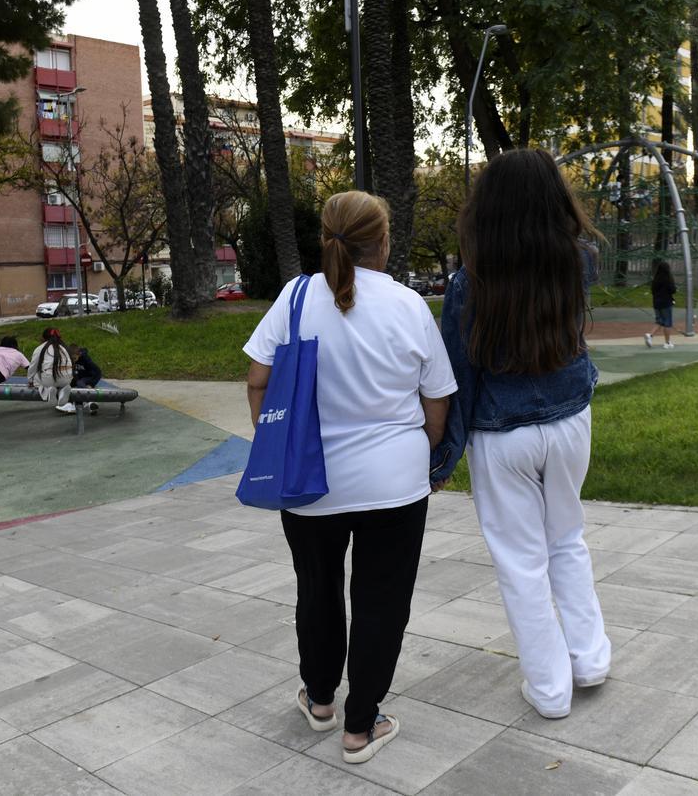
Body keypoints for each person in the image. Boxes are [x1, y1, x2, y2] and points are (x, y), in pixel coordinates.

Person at [241, 190, 455, 764]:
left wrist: (274, 438)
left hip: (308, 482)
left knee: (317, 593)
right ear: (382, 243)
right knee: (382, 601)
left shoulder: (294, 298)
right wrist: (423, 446)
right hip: (394, 484)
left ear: (325, 240)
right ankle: (361, 726)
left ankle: (318, 701)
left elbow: (258, 380)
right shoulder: (409, 305)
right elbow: (438, 398)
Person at [430, 148, 611, 720]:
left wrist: (440, 459)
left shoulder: (468, 283)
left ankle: (551, 689)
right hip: (569, 421)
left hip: (502, 436)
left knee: (521, 561)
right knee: (567, 539)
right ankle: (590, 661)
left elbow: (456, 374)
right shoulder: (578, 261)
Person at [28, 327, 74, 413]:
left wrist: (30, 380)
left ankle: (48, 391)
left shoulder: (41, 348)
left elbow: (33, 366)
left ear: (44, 337)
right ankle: (63, 390)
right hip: (67, 378)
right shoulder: (64, 348)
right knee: (61, 382)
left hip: (50, 379)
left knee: (36, 378)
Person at [644, 260, 677, 349]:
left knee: (660, 321)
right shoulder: (668, 279)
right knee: (667, 322)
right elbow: (673, 290)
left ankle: (650, 335)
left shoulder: (655, 279)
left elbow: (653, 291)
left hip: (656, 302)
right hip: (666, 302)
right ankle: (667, 342)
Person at [69, 344, 103, 414]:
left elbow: (98, 372)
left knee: (80, 383)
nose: (73, 361)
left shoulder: (86, 359)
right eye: (71, 359)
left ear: (79, 354)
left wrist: (92, 384)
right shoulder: (69, 359)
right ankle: (72, 404)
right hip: (79, 377)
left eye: (75, 358)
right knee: (68, 384)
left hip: (90, 377)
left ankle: (90, 402)